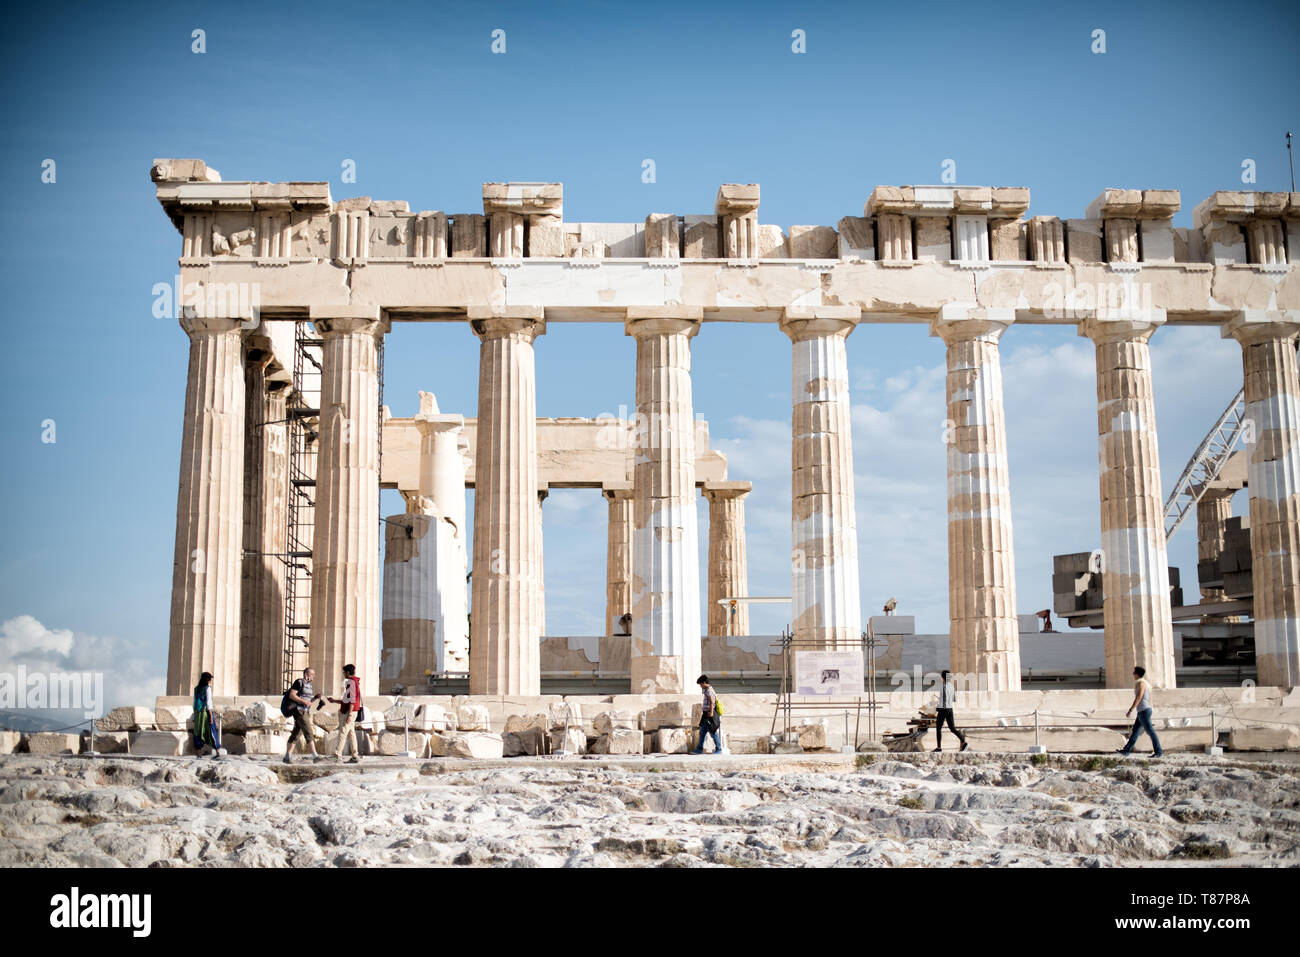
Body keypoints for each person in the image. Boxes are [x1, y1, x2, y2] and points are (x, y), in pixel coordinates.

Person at [1118, 665, 1163, 757]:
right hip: (1141, 711)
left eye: (1134, 673)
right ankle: (1126, 751)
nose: (1133, 674)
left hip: (1144, 711)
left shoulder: (1141, 683)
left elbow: (1139, 697)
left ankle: (1158, 752)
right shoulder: (1139, 683)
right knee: (1135, 731)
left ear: (1137, 674)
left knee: (1150, 731)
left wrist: (1131, 709)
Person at [327, 664, 362, 763]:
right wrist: (334, 701)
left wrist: (349, 715)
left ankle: (337, 755)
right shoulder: (354, 682)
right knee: (351, 734)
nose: (343, 674)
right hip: (351, 711)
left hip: (349, 712)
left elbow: (352, 700)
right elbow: (347, 700)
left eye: (344, 672)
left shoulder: (351, 682)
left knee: (342, 733)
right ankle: (355, 755)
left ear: (347, 672)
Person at [283, 667, 319, 764]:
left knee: (296, 733)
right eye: (311, 674)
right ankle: (315, 756)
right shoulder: (299, 682)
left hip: (305, 711)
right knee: (308, 731)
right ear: (306, 674)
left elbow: (307, 702)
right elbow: (292, 695)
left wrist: (315, 698)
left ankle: (287, 756)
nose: (313, 676)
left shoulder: (309, 686)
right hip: (299, 711)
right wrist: (303, 701)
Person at [933, 670, 968, 752]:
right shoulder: (952, 686)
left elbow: (943, 700)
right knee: (952, 728)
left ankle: (939, 747)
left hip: (943, 709)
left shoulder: (943, 687)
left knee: (938, 727)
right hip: (950, 709)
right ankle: (963, 742)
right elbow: (953, 699)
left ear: (942, 678)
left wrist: (937, 708)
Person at [192, 672, 223, 759]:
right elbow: (209, 703)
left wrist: (195, 714)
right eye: (210, 679)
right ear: (208, 679)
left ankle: (199, 754)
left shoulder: (196, 689)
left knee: (198, 732)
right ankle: (217, 752)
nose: (211, 681)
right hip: (206, 713)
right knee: (211, 731)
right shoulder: (207, 689)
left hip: (198, 713)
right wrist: (210, 716)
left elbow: (195, 702)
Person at [691, 674, 723, 755]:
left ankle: (719, 749)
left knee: (713, 732)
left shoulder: (709, 691)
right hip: (706, 715)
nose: (700, 686)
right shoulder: (708, 690)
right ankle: (699, 749)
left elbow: (712, 702)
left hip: (709, 715)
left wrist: (711, 713)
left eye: (701, 684)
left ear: (704, 682)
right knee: (702, 731)